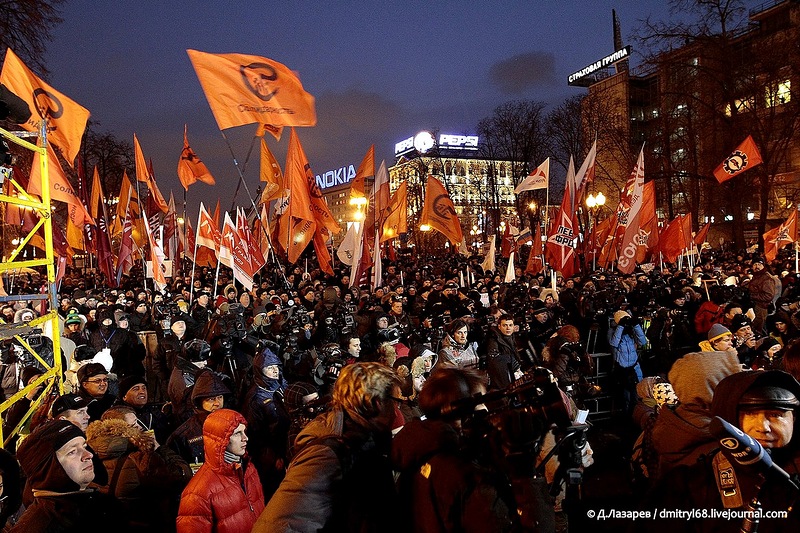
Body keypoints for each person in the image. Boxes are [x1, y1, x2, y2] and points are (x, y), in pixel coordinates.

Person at [253, 362, 403, 532]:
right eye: (396, 401)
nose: (398, 410)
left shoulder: (364, 439)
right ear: (376, 403)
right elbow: (279, 526)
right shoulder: (326, 455)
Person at [647, 370, 800, 532]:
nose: (763, 427)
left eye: (776, 414)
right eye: (749, 413)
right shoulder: (689, 486)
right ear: (728, 417)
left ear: (794, 418)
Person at [391, 366, 519, 532]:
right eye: (480, 405)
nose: (486, 412)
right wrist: (523, 471)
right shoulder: (461, 471)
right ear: (461, 413)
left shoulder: (419, 452)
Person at [86, 406, 192, 532]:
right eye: (134, 425)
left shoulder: (90, 455)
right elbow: (182, 475)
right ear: (122, 430)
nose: (140, 427)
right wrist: (159, 448)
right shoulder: (140, 458)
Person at [11, 419, 124, 533]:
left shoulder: (101, 504)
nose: (88, 455)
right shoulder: (38, 527)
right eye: (72, 452)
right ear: (48, 467)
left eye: (84, 447)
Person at [176, 408, 265, 533]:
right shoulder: (197, 493)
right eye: (237, 433)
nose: (245, 438)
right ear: (220, 440)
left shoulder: (249, 470)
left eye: (244, 432)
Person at [607, 310, 648, 415]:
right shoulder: (612, 331)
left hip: (634, 368)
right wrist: (620, 327)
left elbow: (643, 342)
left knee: (637, 395)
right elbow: (614, 343)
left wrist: (636, 325)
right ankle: (626, 418)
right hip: (622, 369)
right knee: (626, 397)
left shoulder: (632, 331)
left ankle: (636, 416)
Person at [484, 312, 521, 391]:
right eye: (505, 325)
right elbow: (494, 359)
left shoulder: (514, 337)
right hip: (504, 377)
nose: (508, 328)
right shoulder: (493, 339)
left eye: (510, 325)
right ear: (499, 327)